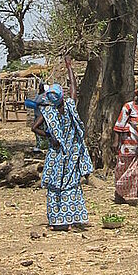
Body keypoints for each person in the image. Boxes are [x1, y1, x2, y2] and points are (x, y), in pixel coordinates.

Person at [34, 73, 93, 231]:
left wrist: (49, 137)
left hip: (57, 153)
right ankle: (71, 218)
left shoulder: (48, 112)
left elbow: (34, 128)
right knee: (72, 184)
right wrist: (69, 68)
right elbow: (74, 89)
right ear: (61, 95)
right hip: (71, 153)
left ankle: (58, 220)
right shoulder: (69, 106)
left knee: (56, 185)